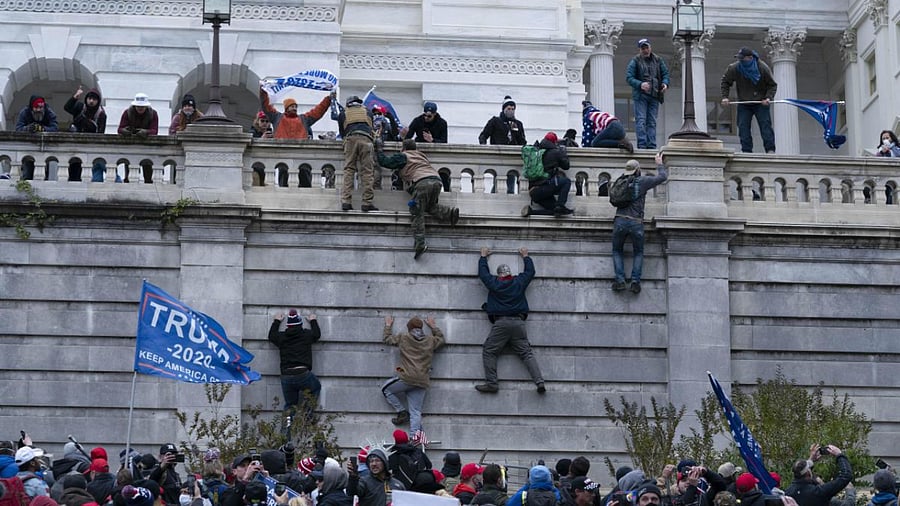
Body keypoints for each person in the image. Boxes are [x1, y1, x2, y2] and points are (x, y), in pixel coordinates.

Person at [474, 246, 545, 394]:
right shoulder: (518, 282)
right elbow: (530, 272)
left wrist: (483, 257)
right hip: (519, 324)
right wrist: (526, 256)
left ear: (499, 275)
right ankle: (539, 382)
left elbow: (483, 274)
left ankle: (492, 383)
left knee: (489, 351)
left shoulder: (495, 283)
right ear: (510, 274)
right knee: (527, 354)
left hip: (501, 323)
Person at [375, 138, 460, 258]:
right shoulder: (421, 156)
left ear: (403, 148)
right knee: (429, 206)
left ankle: (420, 244)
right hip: (436, 181)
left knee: (417, 212)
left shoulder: (404, 156)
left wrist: (379, 149)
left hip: (422, 183)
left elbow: (385, 162)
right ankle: (450, 214)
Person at [610, 154, 668, 294]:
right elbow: (662, 177)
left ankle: (620, 280)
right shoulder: (642, 181)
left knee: (617, 251)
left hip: (620, 220)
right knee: (638, 252)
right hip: (636, 222)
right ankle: (635, 282)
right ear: (638, 170)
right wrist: (659, 164)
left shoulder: (620, 181)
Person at [380, 314, 446, 435]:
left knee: (386, 389)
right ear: (421, 328)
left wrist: (388, 325)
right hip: (422, 381)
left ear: (409, 328)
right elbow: (441, 340)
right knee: (416, 411)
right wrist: (433, 326)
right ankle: (414, 439)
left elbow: (387, 339)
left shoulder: (404, 338)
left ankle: (401, 411)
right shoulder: (430, 340)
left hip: (407, 378)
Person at [268, 309, 322, 431]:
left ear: (288, 325)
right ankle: (307, 415)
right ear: (300, 324)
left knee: (290, 406)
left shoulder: (282, 337)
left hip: (286, 376)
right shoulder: (306, 335)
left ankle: (285, 436)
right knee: (316, 387)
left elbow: (271, 336)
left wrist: (276, 321)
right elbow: (317, 334)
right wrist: (313, 320)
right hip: (303, 373)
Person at [721, 47, 778, 153]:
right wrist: (725, 97)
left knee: (765, 126)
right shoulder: (735, 68)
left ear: (750, 58)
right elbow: (725, 82)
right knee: (743, 127)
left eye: (743, 59)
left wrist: (768, 97)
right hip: (744, 102)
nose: (741, 61)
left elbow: (772, 85)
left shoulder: (762, 68)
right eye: (739, 59)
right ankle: (746, 151)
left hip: (760, 102)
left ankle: (770, 149)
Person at [334, 95, 377, 212]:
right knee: (367, 171)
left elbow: (342, 133)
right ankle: (367, 203)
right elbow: (371, 127)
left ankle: (346, 201)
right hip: (366, 139)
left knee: (349, 169)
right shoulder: (367, 111)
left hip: (351, 138)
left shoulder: (343, 113)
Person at [626, 38, 670, 150]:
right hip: (641, 96)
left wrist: (665, 84)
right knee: (641, 120)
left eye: (647, 47)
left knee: (652, 122)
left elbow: (665, 74)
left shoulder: (658, 60)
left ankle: (651, 145)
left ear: (650, 47)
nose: (645, 50)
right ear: (640, 49)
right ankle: (642, 145)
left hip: (654, 95)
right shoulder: (635, 61)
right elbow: (629, 77)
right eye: (643, 48)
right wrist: (640, 84)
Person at [522, 132, 573, 217]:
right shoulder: (555, 152)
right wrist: (563, 152)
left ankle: (531, 212)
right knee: (566, 182)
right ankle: (560, 205)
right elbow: (566, 166)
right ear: (554, 142)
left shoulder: (536, 152)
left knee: (554, 211)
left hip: (533, 192)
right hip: (545, 187)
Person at [785, 444, 852, 506]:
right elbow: (845, 476)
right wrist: (839, 455)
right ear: (808, 473)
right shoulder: (818, 492)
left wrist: (811, 459)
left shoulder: (788, 493)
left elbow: (801, 472)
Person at [117, 93, 159, 183]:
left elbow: (154, 131)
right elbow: (120, 129)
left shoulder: (153, 114)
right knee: (129, 175)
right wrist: (126, 131)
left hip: (147, 148)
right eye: (138, 106)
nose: (140, 108)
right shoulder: (127, 113)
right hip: (131, 147)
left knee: (148, 174)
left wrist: (146, 132)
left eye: (142, 107)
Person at [259, 88, 332, 140]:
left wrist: (328, 99)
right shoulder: (277, 117)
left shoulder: (304, 119)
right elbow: (266, 106)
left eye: (295, 106)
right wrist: (263, 92)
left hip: (299, 153)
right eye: (292, 106)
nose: (294, 108)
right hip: (281, 152)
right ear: (286, 108)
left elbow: (318, 111)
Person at [15, 95, 59, 180]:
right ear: (32, 107)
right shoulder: (24, 112)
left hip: (45, 148)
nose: (39, 110)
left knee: (43, 174)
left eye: (41, 107)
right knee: (27, 173)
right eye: (36, 107)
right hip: (28, 148)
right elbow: (18, 129)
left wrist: (43, 129)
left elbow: (55, 128)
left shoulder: (49, 113)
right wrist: (27, 128)